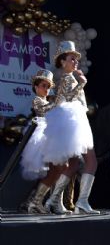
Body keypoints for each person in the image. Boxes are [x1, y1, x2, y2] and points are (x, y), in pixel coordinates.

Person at [41, 41, 98, 214]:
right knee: (91, 161)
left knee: (73, 164)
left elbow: (60, 101)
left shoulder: (69, 78)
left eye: (76, 59)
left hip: (75, 121)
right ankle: (81, 201)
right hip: (74, 122)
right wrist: (82, 82)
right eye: (72, 59)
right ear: (63, 62)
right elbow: (68, 97)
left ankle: (53, 200)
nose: (75, 62)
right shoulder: (67, 78)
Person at [21, 69, 62, 214]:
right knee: (52, 169)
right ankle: (34, 201)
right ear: (36, 87)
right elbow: (42, 110)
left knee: (52, 170)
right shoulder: (37, 100)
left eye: (48, 86)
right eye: (43, 86)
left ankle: (32, 201)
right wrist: (55, 103)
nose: (46, 89)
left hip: (50, 134)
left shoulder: (47, 101)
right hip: (41, 135)